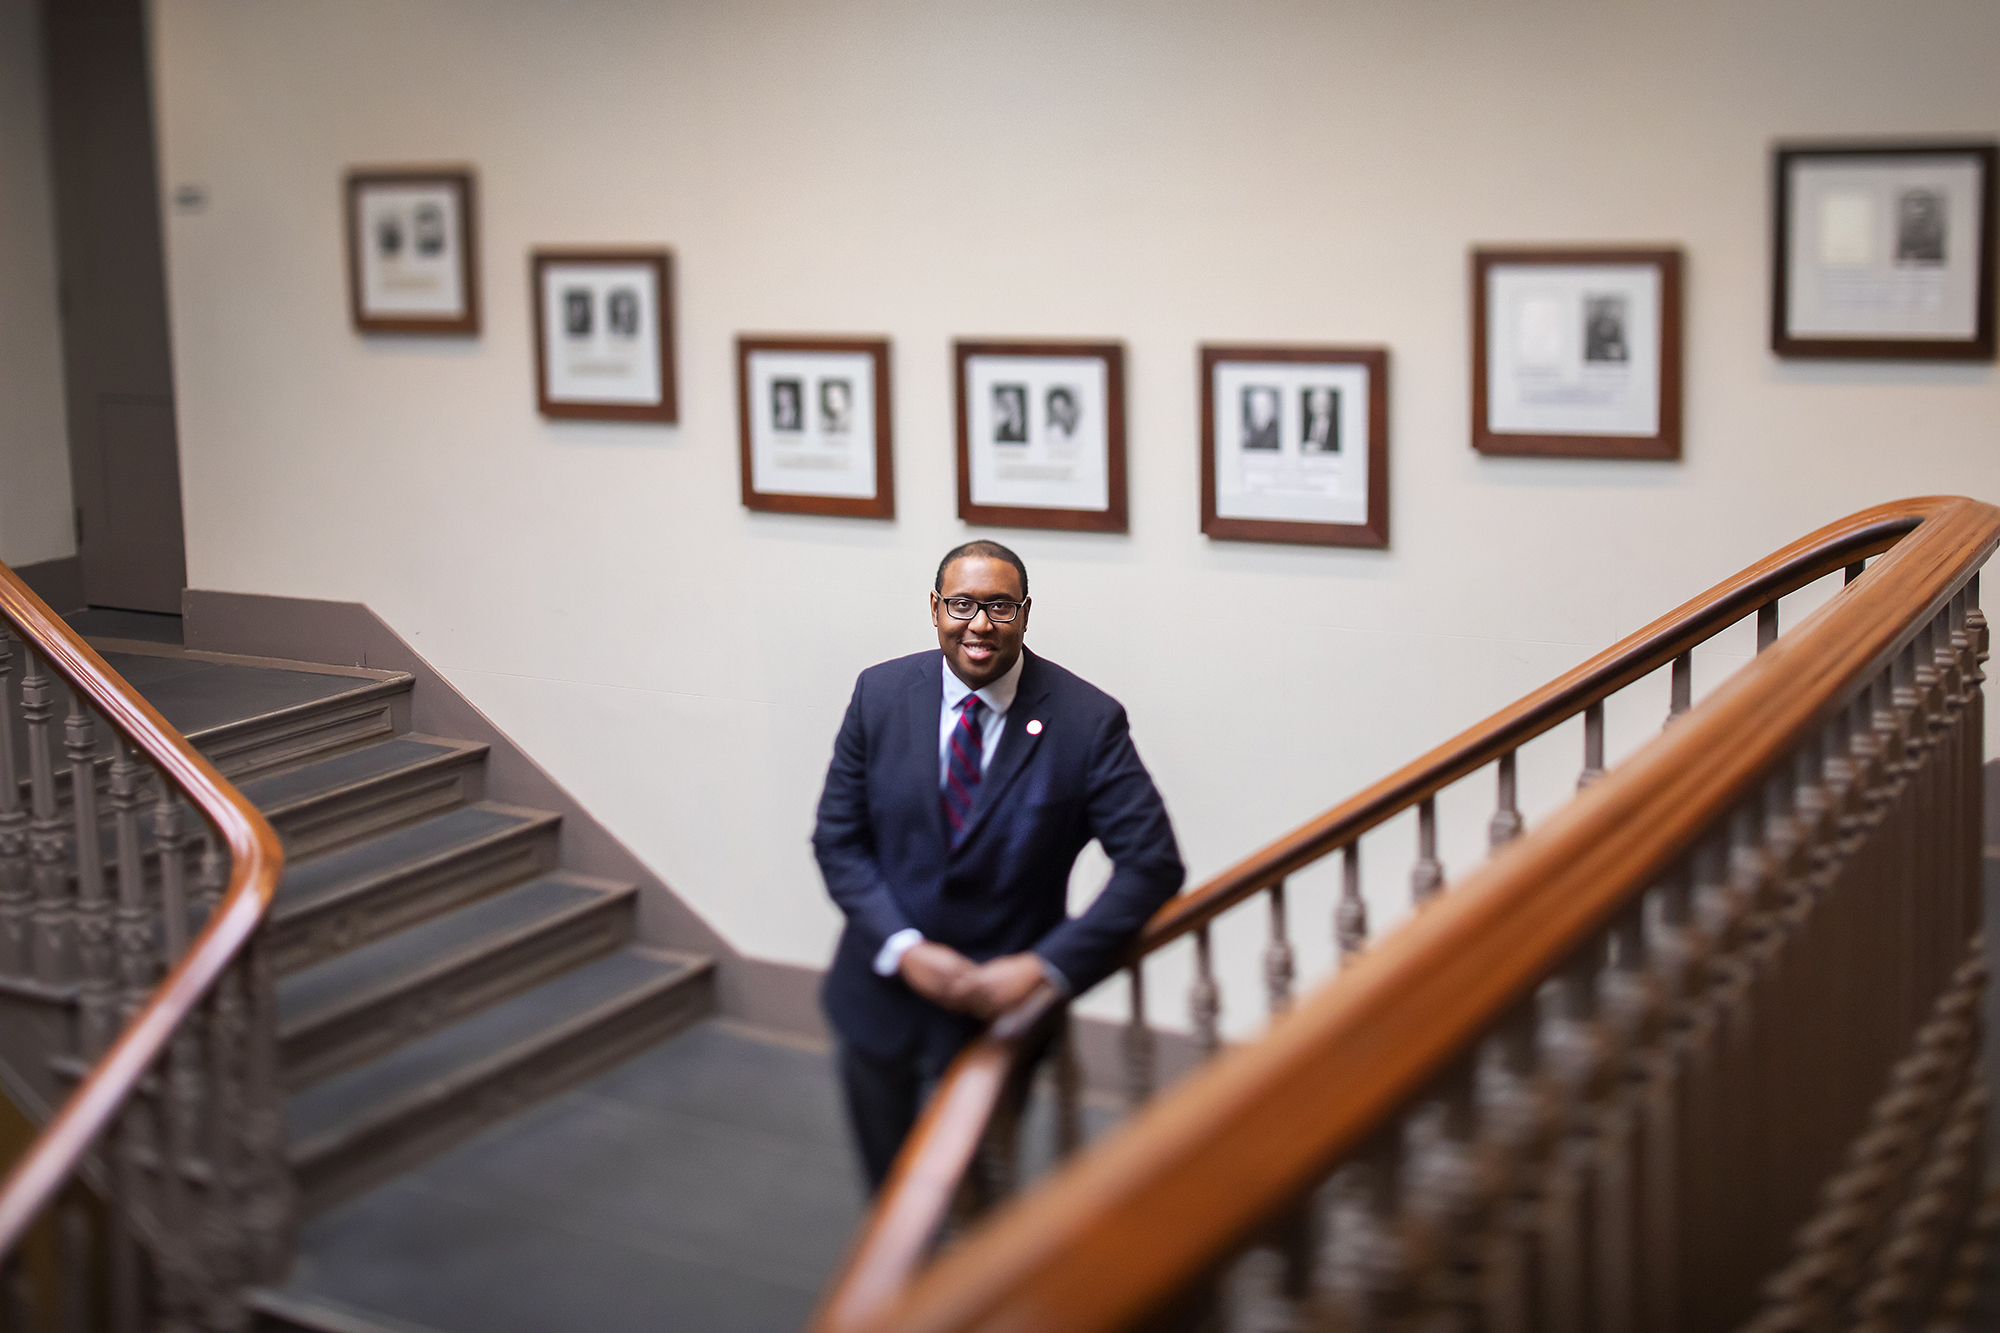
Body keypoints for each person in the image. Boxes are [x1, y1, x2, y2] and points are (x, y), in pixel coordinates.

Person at [812, 540, 1184, 1190]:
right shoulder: (881, 693)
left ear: (1025, 612)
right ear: (934, 608)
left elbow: (1151, 862)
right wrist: (904, 948)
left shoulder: (1085, 721)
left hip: (998, 1009)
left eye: (999, 606)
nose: (979, 624)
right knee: (891, 1193)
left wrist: (1045, 966)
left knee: (975, 1192)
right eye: (961, 604)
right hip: (880, 993)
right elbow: (837, 839)